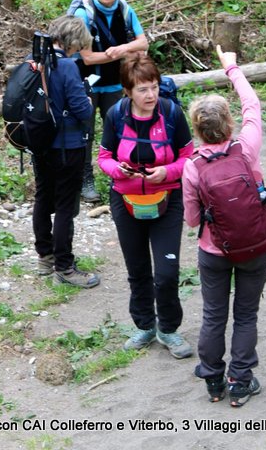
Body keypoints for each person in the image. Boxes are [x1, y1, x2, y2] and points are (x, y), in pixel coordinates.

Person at [182, 44, 266, 406]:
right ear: (229, 124)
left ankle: (214, 380)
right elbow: (253, 105)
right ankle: (240, 382)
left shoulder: (192, 166)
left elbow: (191, 219)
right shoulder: (246, 149)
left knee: (214, 315)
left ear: (197, 130)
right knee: (246, 315)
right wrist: (231, 68)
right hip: (254, 245)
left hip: (214, 251)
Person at [97, 55, 194, 357]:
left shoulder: (172, 113)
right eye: (142, 89)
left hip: (168, 198)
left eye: (154, 87)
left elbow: (189, 157)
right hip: (125, 201)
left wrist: (168, 172)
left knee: (166, 272)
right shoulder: (115, 115)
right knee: (137, 269)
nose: (151, 95)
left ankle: (169, 330)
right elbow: (104, 158)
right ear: (128, 91)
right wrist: (118, 170)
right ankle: (145, 326)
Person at [32, 15, 100, 289]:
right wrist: (87, 100)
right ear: (73, 41)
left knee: (42, 197)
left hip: (39, 142)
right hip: (67, 146)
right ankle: (64, 266)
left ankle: (45, 258)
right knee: (64, 205)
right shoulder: (67, 66)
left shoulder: (34, 60)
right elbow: (82, 110)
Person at [74, 0, 148, 202]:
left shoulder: (125, 9)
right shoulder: (83, 14)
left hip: (115, 83)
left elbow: (143, 43)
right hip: (86, 84)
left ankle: (119, 174)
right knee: (85, 133)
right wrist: (118, 54)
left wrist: (123, 48)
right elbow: (87, 57)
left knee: (118, 131)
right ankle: (85, 178)